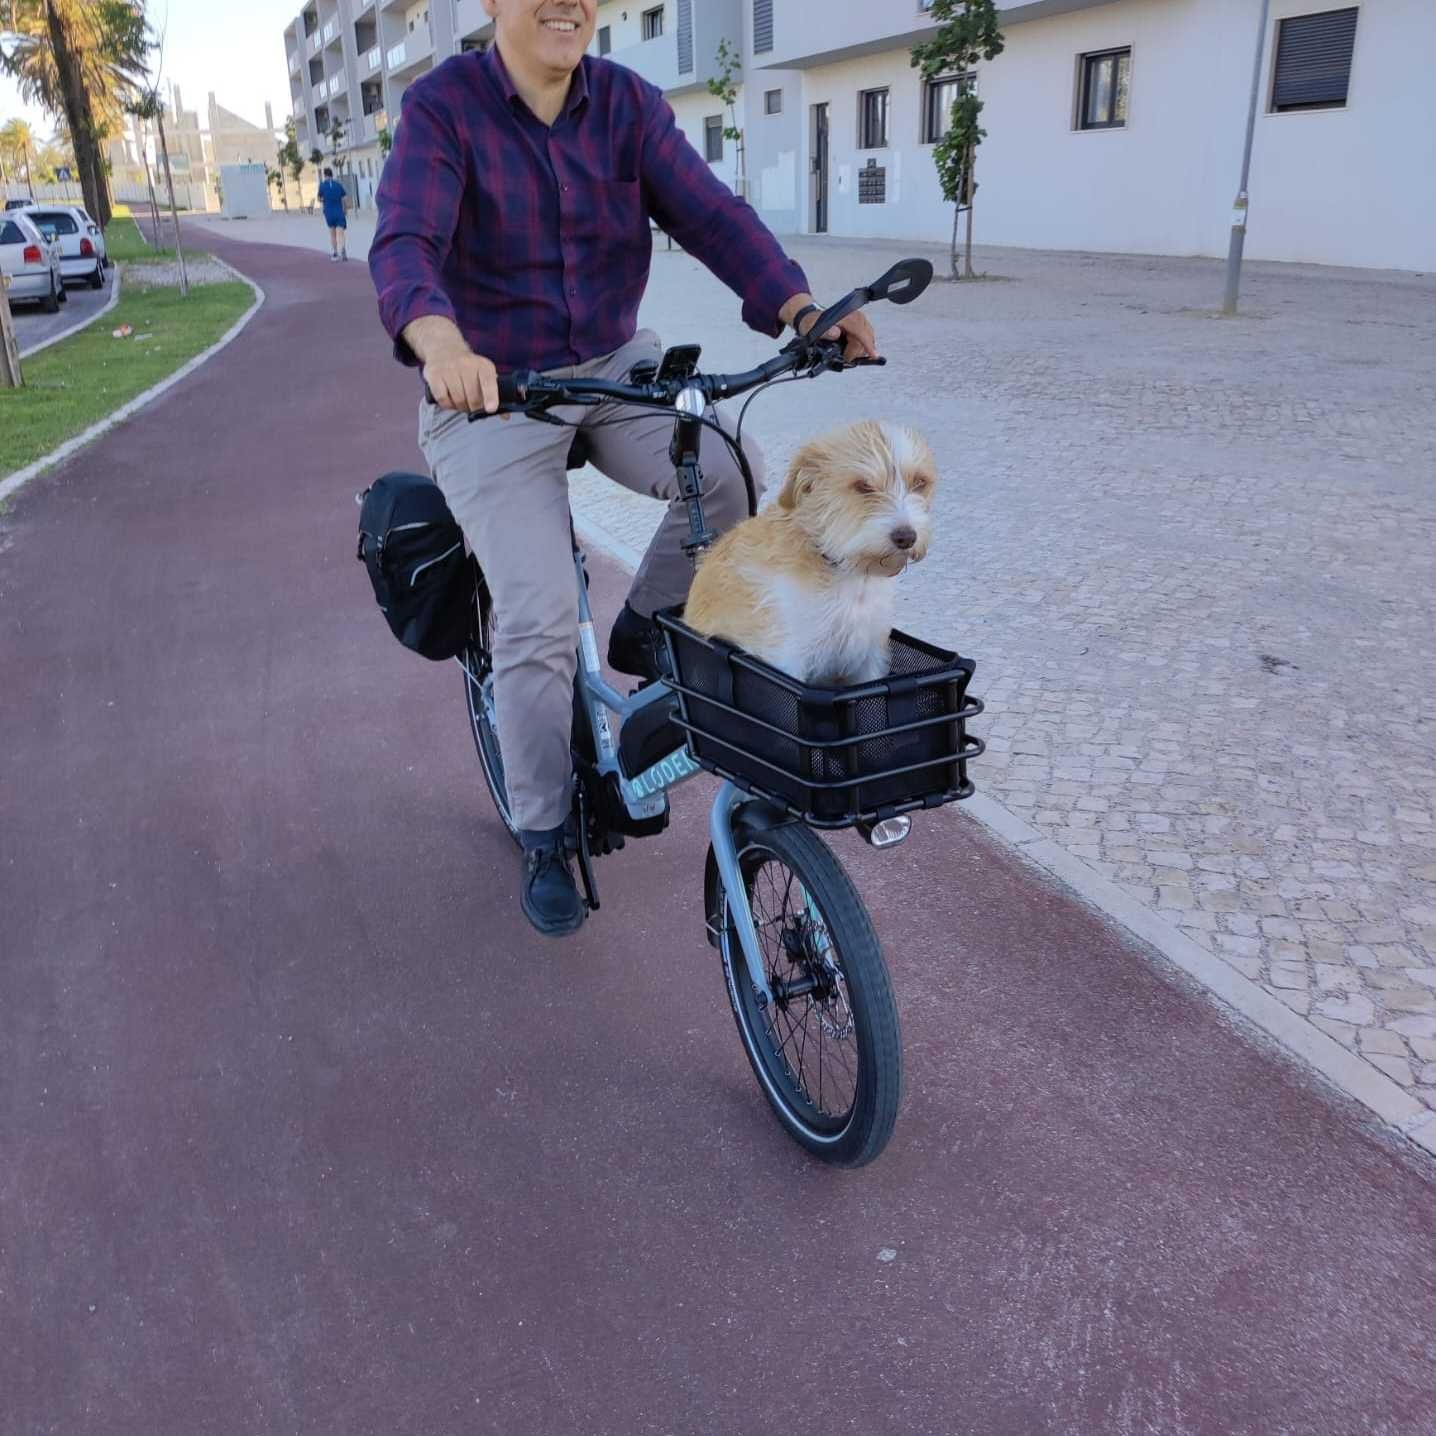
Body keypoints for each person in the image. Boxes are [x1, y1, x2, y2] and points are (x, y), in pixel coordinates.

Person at [368, 0, 877, 938]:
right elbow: (405, 241)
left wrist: (802, 308)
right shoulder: (445, 110)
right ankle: (545, 829)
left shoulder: (630, 106)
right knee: (534, 615)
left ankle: (645, 632)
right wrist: (438, 339)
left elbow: (713, 217)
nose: (567, 3)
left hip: (611, 370)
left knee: (729, 465)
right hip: (488, 392)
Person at [317, 168, 348, 261]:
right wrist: (345, 209)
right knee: (341, 233)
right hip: (339, 211)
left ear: (325, 175)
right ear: (332, 175)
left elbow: (319, 198)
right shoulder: (338, 184)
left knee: (332, 234)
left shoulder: (322, 186)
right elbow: (344, 198)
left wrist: (324, 199)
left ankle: (335, 253)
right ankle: (343, 249)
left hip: (329, 212)